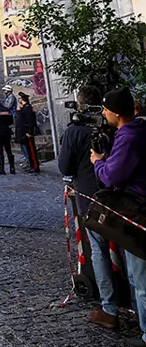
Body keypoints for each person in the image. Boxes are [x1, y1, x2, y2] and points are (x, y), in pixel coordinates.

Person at [60, 86, 122, 330]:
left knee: (99, 251)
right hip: (120, 197)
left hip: (90, 199)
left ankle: (109, 306)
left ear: (80, 105)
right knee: (128, 250)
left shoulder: (75, 131)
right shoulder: (114, 127)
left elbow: (65, 167)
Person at [90, 86, 146, 347]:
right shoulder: (138, 130)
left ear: (116, 112)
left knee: (141, 277)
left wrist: (98, 162)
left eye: (105, 109)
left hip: (137, 211)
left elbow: (112, 176)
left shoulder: (129, 137)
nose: (103, 113)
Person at [15, 92, 42, 173]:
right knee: (29, 150)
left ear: (22, 99)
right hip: (24, 132)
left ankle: (35, 166)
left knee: (31, 150)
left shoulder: (27, 108)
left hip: (27, 132)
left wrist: (30, 132)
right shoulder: (24, 108)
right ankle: (31, 165)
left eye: (19, 98)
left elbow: (30, 121)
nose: (19, 100)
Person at [0, 100, 16, 174]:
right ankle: (12, 168)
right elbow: (11, 121)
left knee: (0, 151)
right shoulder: (7, 110)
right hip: (6, 131)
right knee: (9, 149)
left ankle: (2, 168)